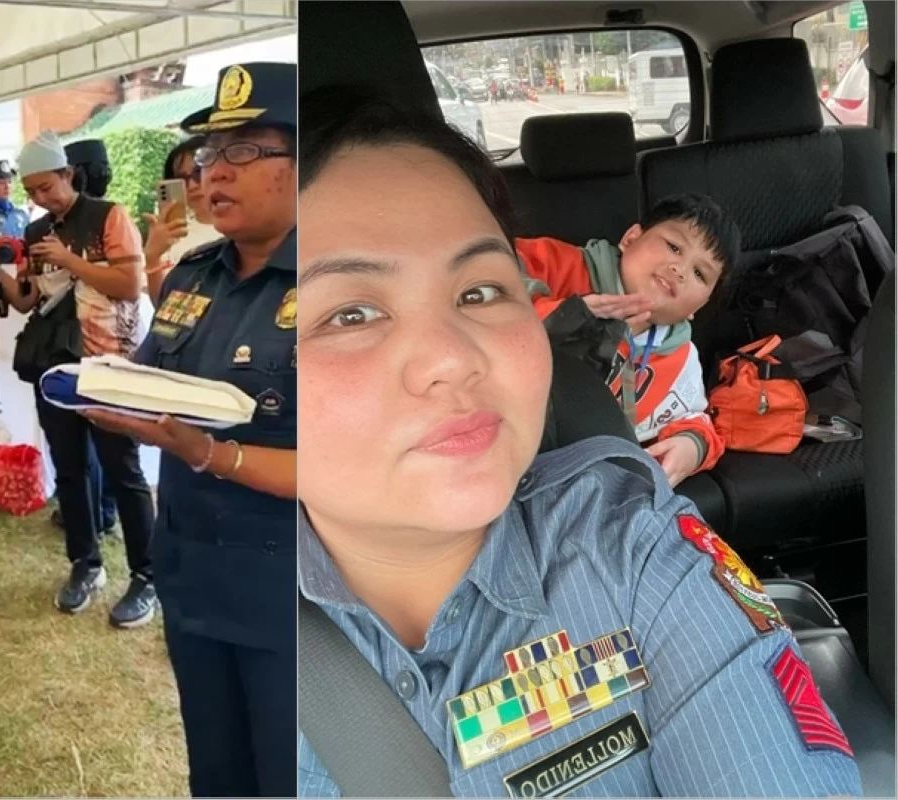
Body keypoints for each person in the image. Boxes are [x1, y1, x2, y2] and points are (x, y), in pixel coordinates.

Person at [295, 87, 861, 797]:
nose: (452, 357)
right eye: (351, 313)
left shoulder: (633, 545)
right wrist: (561, 316)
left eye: (477, 294)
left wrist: (690, 444)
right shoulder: (560, 270)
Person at [81, 62, 297, 797]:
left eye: (243, 152)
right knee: (216, 773)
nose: (213, 176)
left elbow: (348, 464)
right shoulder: (191, 276)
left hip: (292, 599)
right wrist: (105, 393)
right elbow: (151, 381)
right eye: (207, 157)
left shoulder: (341, 289)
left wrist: (210, 452)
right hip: (194, 577)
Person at [0, 130, 158, 625]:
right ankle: (84, 564)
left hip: (110, 363)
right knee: (70, 469)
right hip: (57, 364)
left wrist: (71, 259)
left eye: (46, 187)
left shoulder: (109, 217)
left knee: (124, 470)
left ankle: (146, 576)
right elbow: (28, 301)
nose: (38, 198)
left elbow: (130, 284)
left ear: (68, 175)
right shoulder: (35, 232)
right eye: (30, 191)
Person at [515, 193, 739, 487]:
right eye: (673, 247)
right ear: (631, 238)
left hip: (586, 483)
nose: (680, 270)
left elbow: (696, 419)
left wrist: (692, 446)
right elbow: (478, 291)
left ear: (700, 307)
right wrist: (565, 316)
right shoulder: (552, 264)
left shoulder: (680, 359)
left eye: (699, 273)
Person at [59, 137, 121, 539]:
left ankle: (99, 510)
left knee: (97, 442)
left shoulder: (107, 219)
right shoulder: (111, 215)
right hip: (105, 344)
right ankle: (103, 509)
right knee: (105, 442)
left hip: (96, 342)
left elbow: (127, 284)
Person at [143, 135, 223, 306]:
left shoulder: (242, 228)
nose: (192, 186)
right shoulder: (173, 232)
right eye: (182, 179)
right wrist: (152, 257)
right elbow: (162, 305)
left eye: (198, 173)